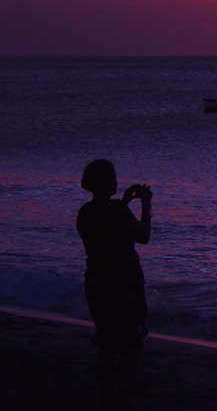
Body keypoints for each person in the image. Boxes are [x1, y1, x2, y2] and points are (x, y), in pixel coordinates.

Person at [76, 159, 152, 411]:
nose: (117, 180)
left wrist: (125, 202)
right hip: (123, 282)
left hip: (96, 281)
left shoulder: (85, 212)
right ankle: (125, 405)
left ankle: (108, 403)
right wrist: (146, 204)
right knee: (130, 345)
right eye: (114, 177)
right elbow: (143, 236)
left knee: (107, 343)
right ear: (108, 182)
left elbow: (107, 223)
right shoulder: (117, 211)